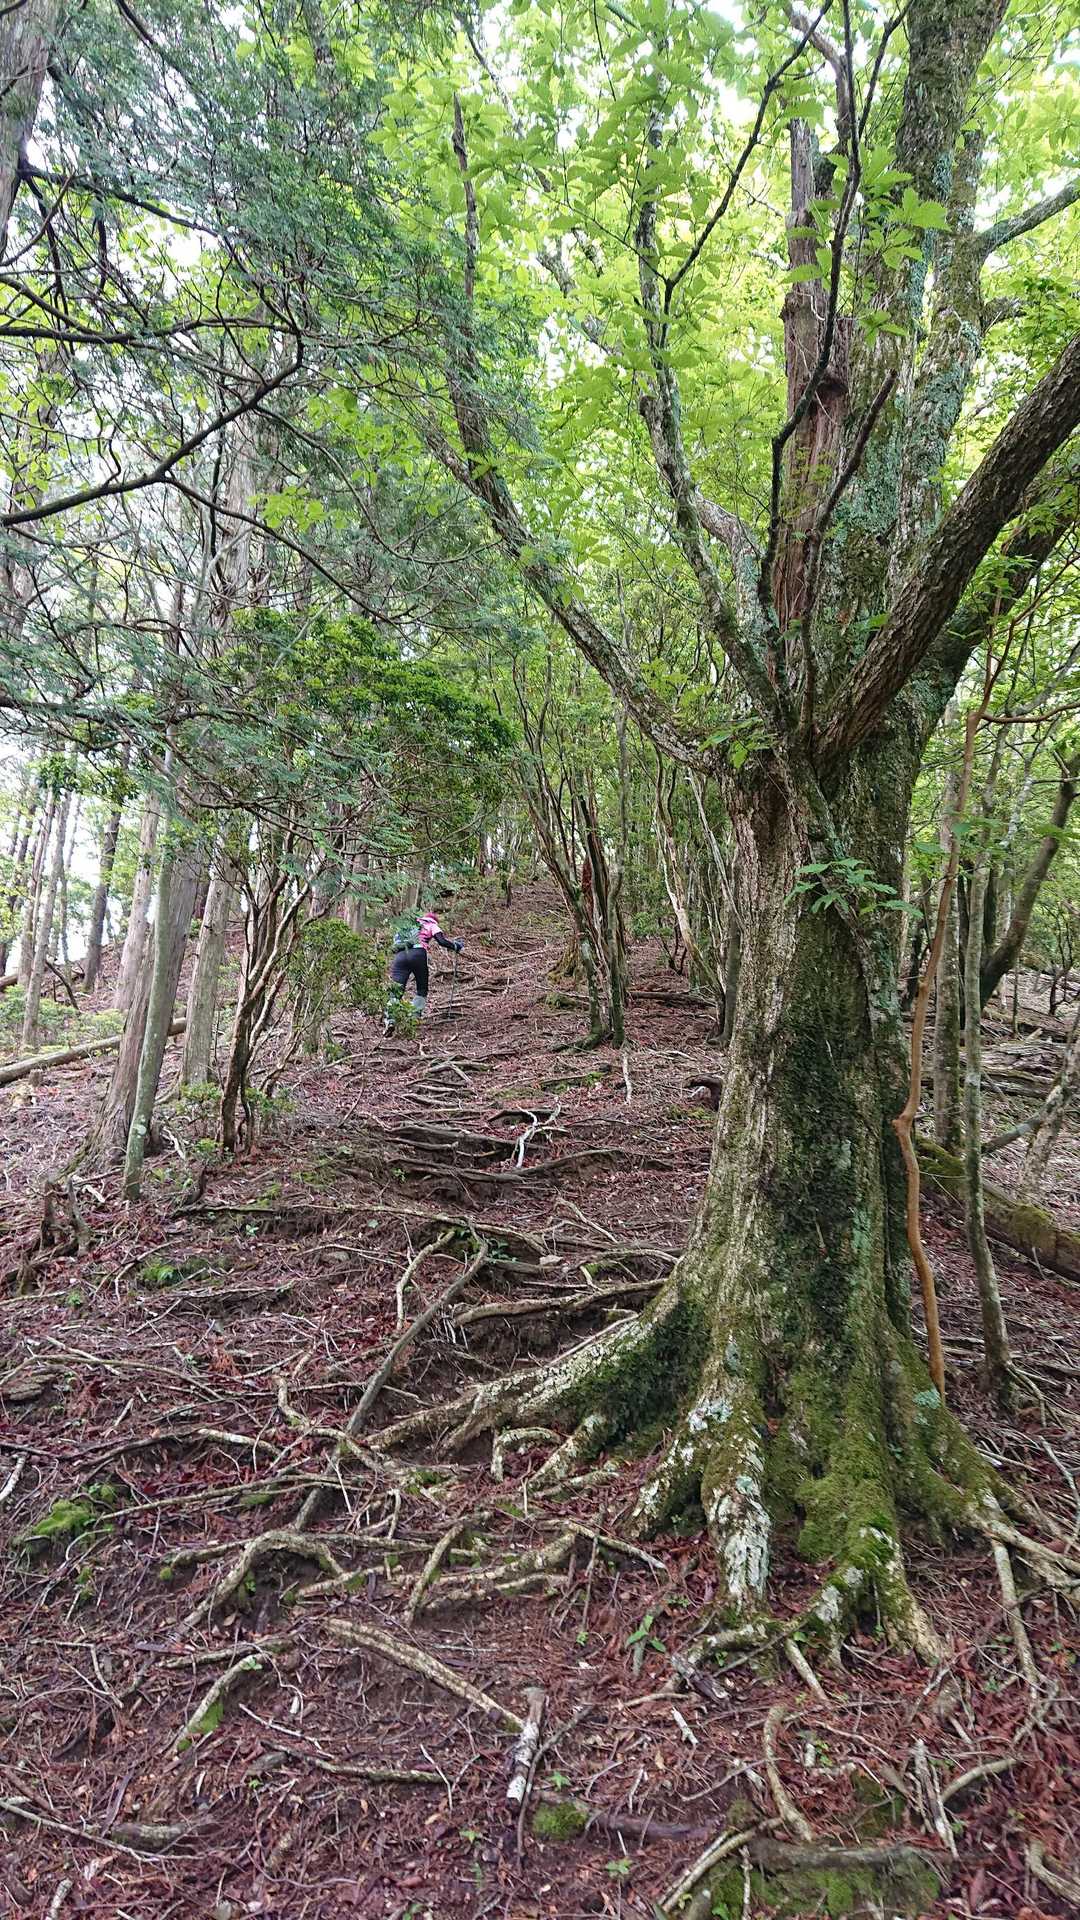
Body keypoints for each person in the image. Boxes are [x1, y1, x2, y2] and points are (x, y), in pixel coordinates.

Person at [384, 907, 464, 1033]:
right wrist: (455, 946)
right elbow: (441, 941)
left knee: (396, 990)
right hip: (418, 955)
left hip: (400, 956)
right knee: (421, 988)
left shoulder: (409, 924)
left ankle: (390, 1020)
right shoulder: (431, 925)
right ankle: (414, 1017)